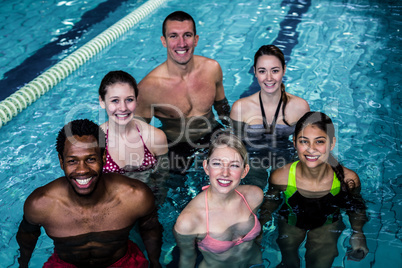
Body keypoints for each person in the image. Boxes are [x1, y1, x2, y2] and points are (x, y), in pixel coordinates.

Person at [16, 119, 162, 268]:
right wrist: (23, 265)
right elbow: (28, 235)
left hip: (122, 262)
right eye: (72, 161)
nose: (82, 170)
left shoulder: (135, 196)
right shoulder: (40, 204)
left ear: (104, 158)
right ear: (61, 161)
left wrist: (155, 263)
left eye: (91, 159)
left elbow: (150, 229)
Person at [261, 112, 368, 268]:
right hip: (291, 221)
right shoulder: (281, 177)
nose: (311, 149)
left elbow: (356, 207)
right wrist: (260, 229)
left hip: (328, 224)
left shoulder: (347, 179)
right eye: (304, 141)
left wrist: (358, 233)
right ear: (294, 142)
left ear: (332, 144)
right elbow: (270, 203)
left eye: (319, 142)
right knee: (289, 259)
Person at [136, 11, 230, 172]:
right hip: (176, 145)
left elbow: (222, 106)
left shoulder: (212, 69)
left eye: (187, 35)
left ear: (196, 39)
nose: (181, 43)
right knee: (168, 191)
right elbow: (139, 134)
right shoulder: (148, 88)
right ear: (164, 41)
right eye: (173, 36)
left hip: (213, 133)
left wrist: (234, 130)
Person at [173, 133, 264, 268]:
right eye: (217, 164)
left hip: (255, 263)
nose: (225, 173)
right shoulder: (189, 221)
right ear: (206, 167)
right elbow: (187, 259)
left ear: (245, 171)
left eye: (234, 165)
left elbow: (258, 238)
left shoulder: (254, 196)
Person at [230, 44, 310, 188]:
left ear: (284, 70)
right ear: (254, 72)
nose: (269, 78)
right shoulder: (240, 107)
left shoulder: (300, 107)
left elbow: (304, 144)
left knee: (281, 195)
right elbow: (236, 146)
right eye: (262, 71)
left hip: (285, 158)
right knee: (254, 191)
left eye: (275, 71)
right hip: (253, 160)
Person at [99, 70, 168, 204]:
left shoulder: (155, 137)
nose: (123, 108)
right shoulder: (94, 140)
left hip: (147, 204)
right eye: (115, 101)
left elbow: (161, 179)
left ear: (137, 100)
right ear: (102, 101)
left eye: (129, 100)